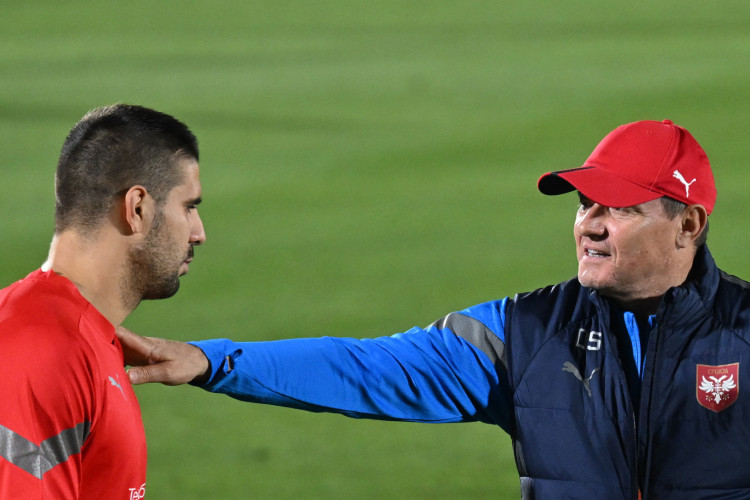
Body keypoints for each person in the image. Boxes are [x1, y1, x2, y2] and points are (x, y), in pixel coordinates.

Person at [117, 119, 749, 499]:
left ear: (687, 223)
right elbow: (369, 369)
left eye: (619, 208)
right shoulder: (525, 335)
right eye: (585, 203)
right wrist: (212, 361)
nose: (591, 223)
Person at [0, 104, 206, 499]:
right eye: (189, 207)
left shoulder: (86, 337)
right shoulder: (39, 353)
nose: (199, 233)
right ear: (138, 208)